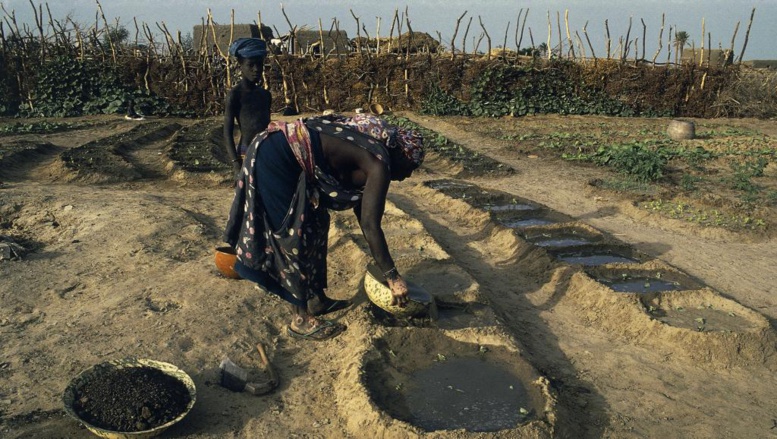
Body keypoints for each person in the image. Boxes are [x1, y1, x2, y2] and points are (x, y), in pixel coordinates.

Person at [223, 113, 424, 341]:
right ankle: (300, 318)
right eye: (411, 166)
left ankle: (315, 299)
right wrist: (393, 277)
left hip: (291, 157)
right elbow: (370, 225)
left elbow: (365, 216)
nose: (408, 175)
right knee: (292, 233)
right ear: (400, 154)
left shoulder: (372, 157)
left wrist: (388, 269)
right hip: (274, 157)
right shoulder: (378, 165)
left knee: (316, 223)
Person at [223, 38, 272, 176]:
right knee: (246, 195)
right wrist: (236, 163)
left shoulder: (265, 95)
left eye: (259, 65)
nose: (256, 69)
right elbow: (227, 132)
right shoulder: (235, 95)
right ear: (240, 65)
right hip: (246, 152)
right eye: (251, 65)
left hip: (266, 151)